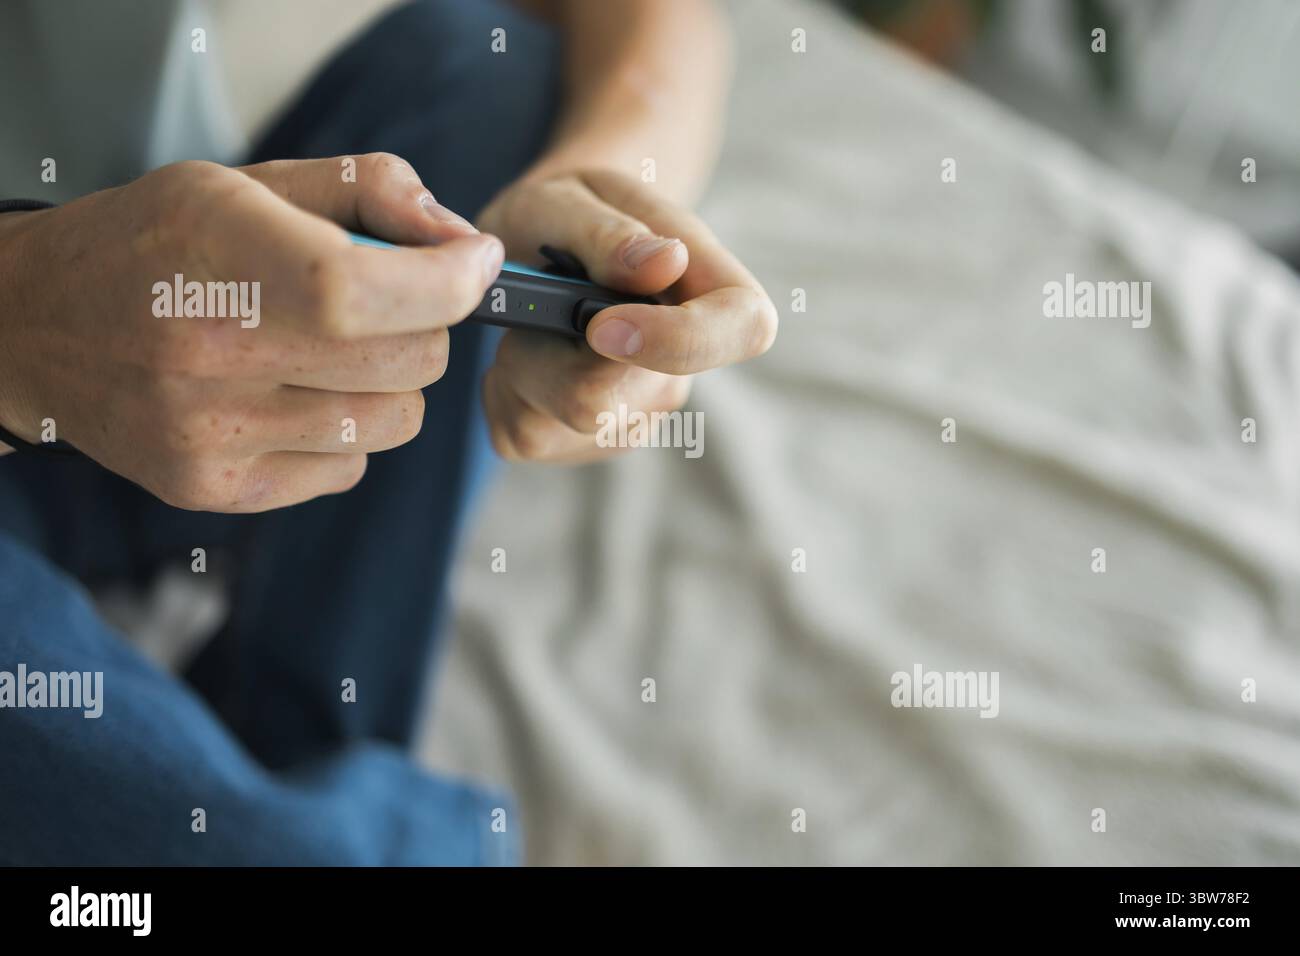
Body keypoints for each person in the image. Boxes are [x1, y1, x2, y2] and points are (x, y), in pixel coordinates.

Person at [0, 0, 776, 865]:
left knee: (484, 63)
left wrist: (598, 189)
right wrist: (25, 317)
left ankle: (306, 742)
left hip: (204, 316)